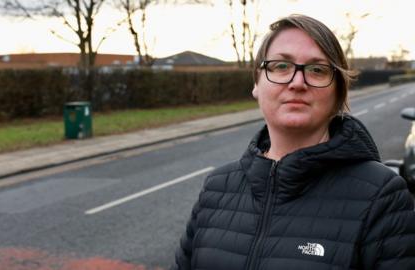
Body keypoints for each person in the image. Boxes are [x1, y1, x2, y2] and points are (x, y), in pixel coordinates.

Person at [172, 14, 415, 270]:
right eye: (280, 66)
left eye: (317, 70)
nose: (297, 82)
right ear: (257, 82)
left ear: (338, 92)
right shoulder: (216, 188)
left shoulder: (381, 195)